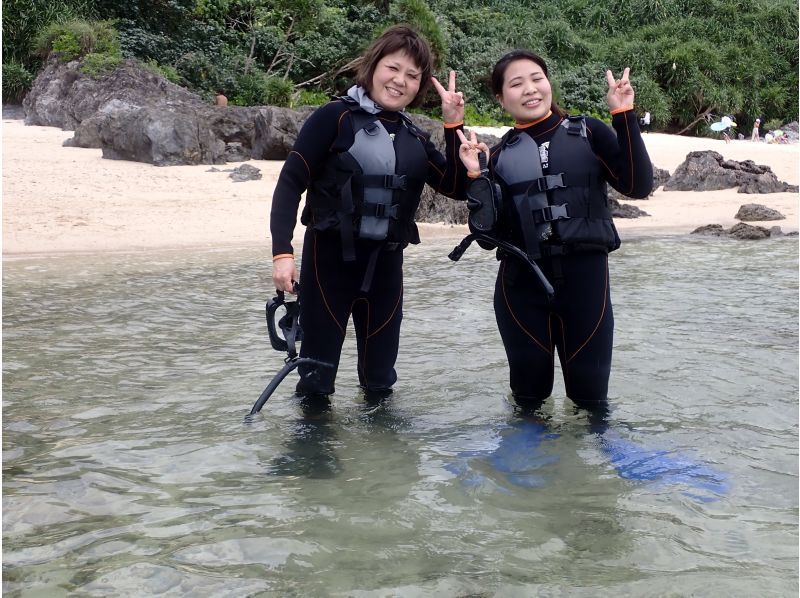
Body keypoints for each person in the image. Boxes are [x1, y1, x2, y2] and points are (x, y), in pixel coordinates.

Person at [270, 25, 466, 402]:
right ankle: (312, 457)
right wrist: (282, 254)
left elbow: (456, 187)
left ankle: (385, 459)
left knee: (380, 383)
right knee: (316, 383)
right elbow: (291, 182)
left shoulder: (416, 137)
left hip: (386, 272)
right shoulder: (334, 118)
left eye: (412, 76)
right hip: (328, 266)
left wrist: (453, 123)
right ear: (374, 65)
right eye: (393, 68)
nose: (400, 81)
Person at [455, 49, 653, 413]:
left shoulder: (588, 131)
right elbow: (485, 238)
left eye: (537, 79)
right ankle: (529, 465)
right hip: (521, 290)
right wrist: (476, 177)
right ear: (501, 98)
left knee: (591, 404)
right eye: (516, 84)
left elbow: (638, 185)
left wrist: (624, 116)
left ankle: (594, 465)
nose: (530, 89)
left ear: (548, 83)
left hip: (585, 285)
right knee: (528, 406)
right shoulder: (496, 157)